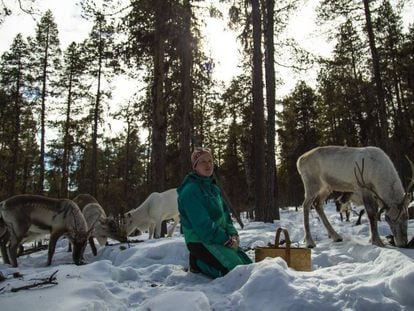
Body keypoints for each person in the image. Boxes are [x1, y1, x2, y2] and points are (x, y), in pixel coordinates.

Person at [177, 147, 252, 278]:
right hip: (200, 240)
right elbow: (202, 225)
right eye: (202, 162)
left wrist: (233, 234)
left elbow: (225, 216)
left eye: (210, 161)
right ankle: (197, 263)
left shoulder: (213, 188)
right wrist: (225, 239)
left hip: (219, 237)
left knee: (248, 266)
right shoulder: (190, 191)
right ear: (195, 166)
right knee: (234, 272)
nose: (208, 165)